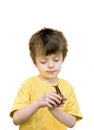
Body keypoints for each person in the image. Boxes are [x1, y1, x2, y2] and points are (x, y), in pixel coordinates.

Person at [10, 28, 82, 130]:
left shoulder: (67, 87)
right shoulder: (29, 84)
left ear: (62, 59)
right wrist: (39, 102)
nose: (51, 65)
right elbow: (16, 119)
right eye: (43, 61)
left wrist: (53, 109)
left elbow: (72, 123)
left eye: (56, 60)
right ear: (35, 63)